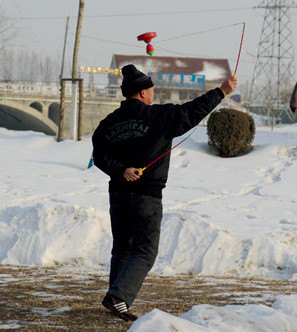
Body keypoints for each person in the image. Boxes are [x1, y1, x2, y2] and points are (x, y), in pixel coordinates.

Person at [92, 64, 237, 321]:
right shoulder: (158, 116)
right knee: (145, 250)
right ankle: (118, 297)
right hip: (147, 196)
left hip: (118, 195)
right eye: (150, 89)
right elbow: (193, 111)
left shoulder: (108, 122)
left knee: (122, 249)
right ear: (143, 92)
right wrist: (221, 92)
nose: (152, 94)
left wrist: (122, 170)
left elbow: (100, 155)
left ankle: (116, 299)